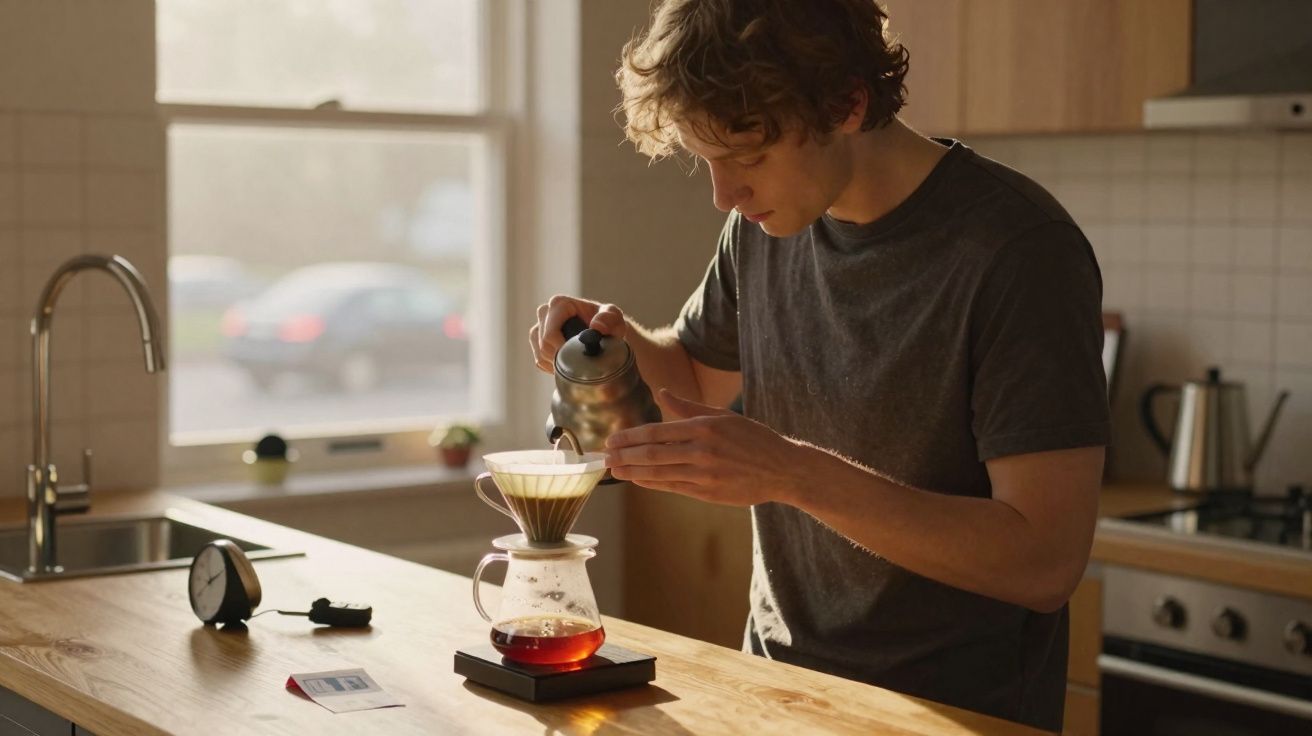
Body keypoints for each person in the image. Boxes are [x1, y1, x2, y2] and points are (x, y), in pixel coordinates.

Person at [528, 1, 1108, 730]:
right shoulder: (761, 228)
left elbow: (1044, 563)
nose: (724, 194)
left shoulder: (1019, 251)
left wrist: (792, 474)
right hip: (780, 689)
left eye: (748, 157)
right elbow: (696, 378)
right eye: (706, 160)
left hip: (954, 712)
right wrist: (611, 346)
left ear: (845, 105)